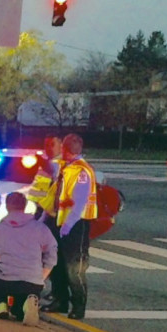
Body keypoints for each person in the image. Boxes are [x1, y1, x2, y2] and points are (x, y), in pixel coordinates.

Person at [42, 133, 98, 320]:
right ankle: (60, 300)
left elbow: (79, 203)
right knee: (56, 264)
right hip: (58, 221)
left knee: (75, 268)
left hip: (76, 225)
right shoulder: (66, 167)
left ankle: (78, 306)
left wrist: (67, 225)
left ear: (67, 150)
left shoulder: (82, 171)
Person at [0, 192, 58, 326]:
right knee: (19, 313)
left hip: (5, 281)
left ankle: (0, 305)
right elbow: (52, 254)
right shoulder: (40, 228)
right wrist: (42, 276)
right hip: (33, 282)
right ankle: (27, 304)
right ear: (25, 206)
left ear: (7, 206)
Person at [26, 136, 64, 221]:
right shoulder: (47, 163)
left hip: (51, 213)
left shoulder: (61, 164)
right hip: (40, 210)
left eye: (52, 145)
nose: (49, 148)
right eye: (46, 145)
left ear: (61, 145)